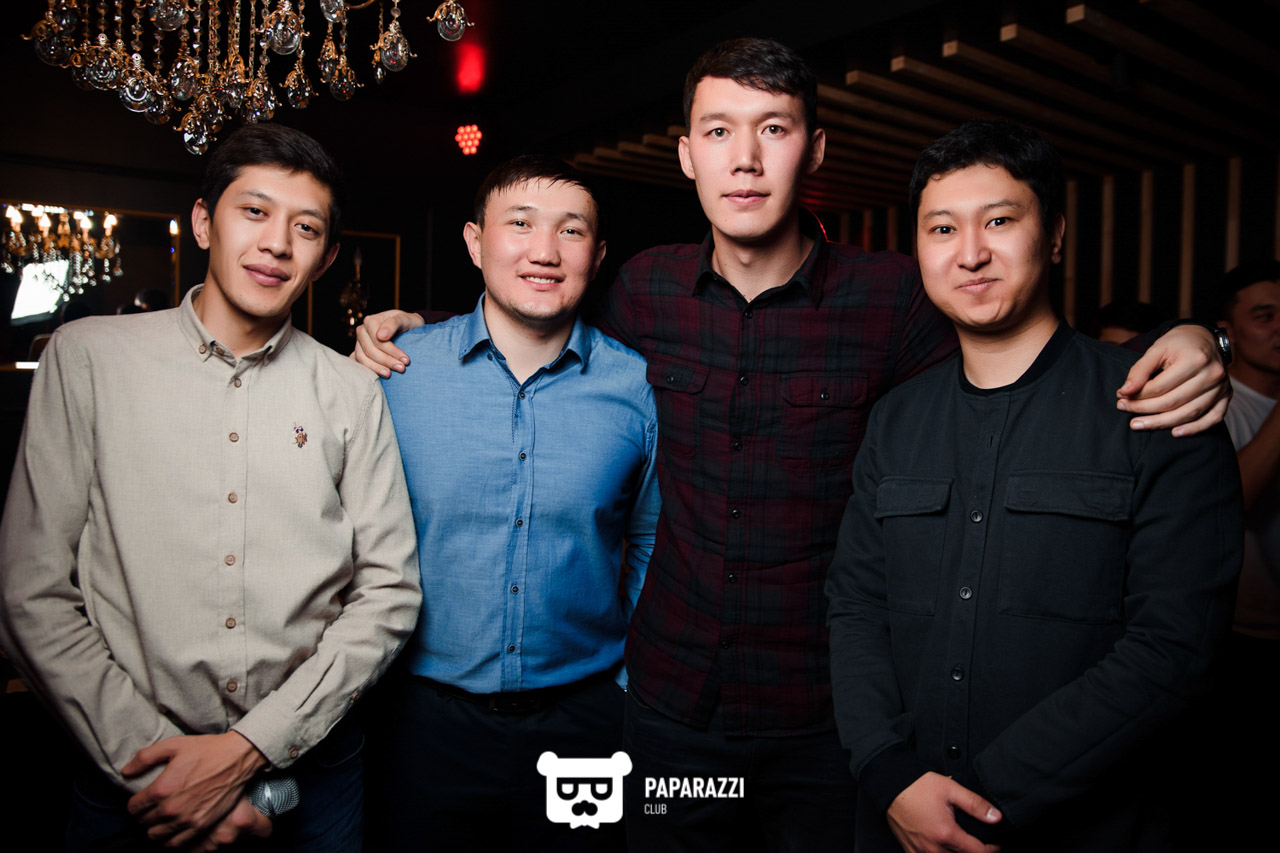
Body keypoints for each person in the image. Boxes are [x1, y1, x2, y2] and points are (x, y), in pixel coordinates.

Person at [351, 39, 1229, 850]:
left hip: (827, 720)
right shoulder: (645, 289)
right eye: (718, 131)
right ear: (687, 155)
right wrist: (423, 326)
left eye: (773, 129)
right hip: (670, 710)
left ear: (814, 151)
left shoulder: (896, 297)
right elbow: (539, 319)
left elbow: (1010, 346)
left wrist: (1196, 339)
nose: (745, 157)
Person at [0, 123, 421, 852]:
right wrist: (166, 772)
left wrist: (249, 750)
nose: (276, 243)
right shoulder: (88, 358)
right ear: (203, 222)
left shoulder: (352, 392)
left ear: (324, 258)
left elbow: (389, 593)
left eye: (305, 228)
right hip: (129, 780)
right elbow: (31, 593)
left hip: (314, 778)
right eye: (253, 211)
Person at [825, 120, 1241, 853]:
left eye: (999, 221)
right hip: (898, 822)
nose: (970, 252)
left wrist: (984, 798)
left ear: (1053, 237)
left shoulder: (1156, 404)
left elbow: (1176, 648)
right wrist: (887, 770)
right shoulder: (896, 420)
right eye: (942, 228)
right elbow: (856, 606)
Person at [369, 156, 659, 852]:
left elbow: (652, 542)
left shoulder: (637, 388)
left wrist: (626, 684)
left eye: (571, 230)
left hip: (586, 722)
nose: (544, 251)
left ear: (598, 255)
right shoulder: (394, 374)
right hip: (421, 723)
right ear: (475, 242)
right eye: (520, 224)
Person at [1212, 259, 1280, 848]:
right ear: (1227, 330)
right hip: (1239, 640)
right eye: (1265, 315)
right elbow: (1232, 506)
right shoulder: (1217, 405)